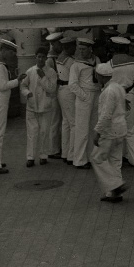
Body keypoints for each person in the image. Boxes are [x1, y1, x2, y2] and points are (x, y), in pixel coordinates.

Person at [0, 39, 27, 174]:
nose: (12, 56)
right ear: (3, 50)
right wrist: (18, 80)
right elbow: (3, 86)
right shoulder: (0, 66)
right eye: (10, 52)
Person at [91, 62, 129, 203]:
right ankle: (114, 194)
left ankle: (115, 185)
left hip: (110, 130)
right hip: (121, 129)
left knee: (97, 158)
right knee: (115, 161)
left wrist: (97, 131)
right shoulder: (118, 87)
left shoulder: (107, 92)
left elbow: (106, 115)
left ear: (100, 76)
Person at [21, 48, 58, 167]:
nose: (41, 59)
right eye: (39, 57)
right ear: (35, 57)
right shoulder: (30, 71)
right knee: (32, 132)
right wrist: (27, 93)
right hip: (32, 106)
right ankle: (30, 157)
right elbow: (23, 85)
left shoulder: (51, 72)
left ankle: (43, 156)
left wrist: (43, 77)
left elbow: (52, 88)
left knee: (44, 131)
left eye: (43, 57)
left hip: (45, 106)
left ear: (46, 58)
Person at [108, 36, 134, 166]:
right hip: (129, 96)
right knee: (130, 130)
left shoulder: (110, 64)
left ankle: (117, 162)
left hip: (115, 99)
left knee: (116, 130)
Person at [69, 33, 100, 167]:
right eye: (79, 49)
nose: (81, 52)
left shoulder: (96, 60)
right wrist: (85, 96)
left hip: (96, 94)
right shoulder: (76, 65)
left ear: (90, 49)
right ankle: (80, 160)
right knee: (82, 129)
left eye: (83, 49)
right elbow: (72, 85)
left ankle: (92, 157)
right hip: (84, 96)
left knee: (94, 127)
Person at [56, 31, 77, 162]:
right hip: (69, 90)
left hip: (61, 90)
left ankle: (65, 153)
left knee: (66, 123)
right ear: (69, 47)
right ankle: (72, 155)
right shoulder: (70, 61)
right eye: (74, 46)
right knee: (73, 123)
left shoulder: (60, 58)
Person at [44, 31, 65, 158]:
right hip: (53, 93)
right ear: (53, 44)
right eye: (59, 44)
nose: (61, 46)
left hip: (59, 91)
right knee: (55, 121)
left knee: (59, 120)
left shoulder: (58, 57)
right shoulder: (50, 60)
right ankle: (53, 149)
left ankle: (58, 146)